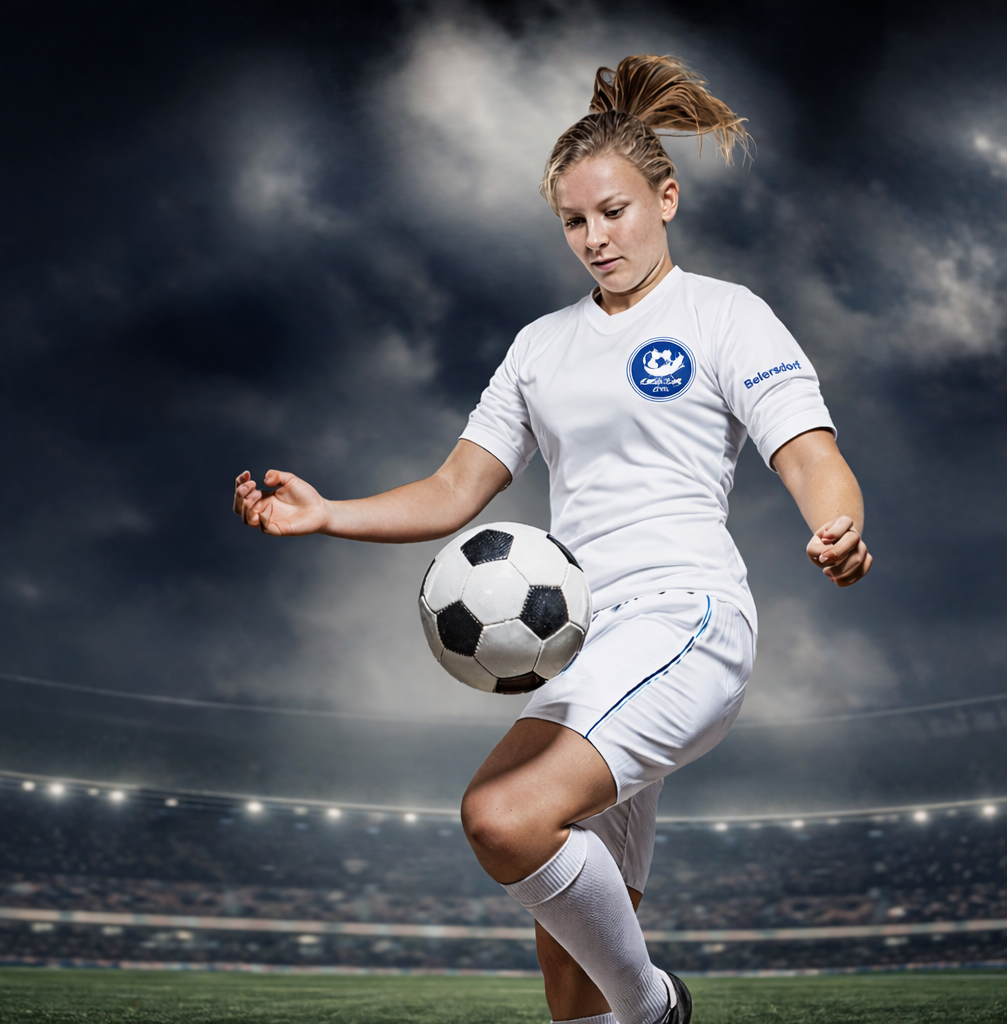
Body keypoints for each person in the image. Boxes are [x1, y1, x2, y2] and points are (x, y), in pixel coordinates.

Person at [233, 54, 872, 1024]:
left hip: (683, 619)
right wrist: (327, 513)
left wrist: (837, 523)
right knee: (571, 992)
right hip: (580, 645)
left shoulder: (722, 316)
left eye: (613, 211)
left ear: (666, 196)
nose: (595, 237)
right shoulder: (540, 347)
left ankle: (657, 1006)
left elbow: (808, 452)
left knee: (502, 815)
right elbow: (455, 488)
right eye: (574, 221)